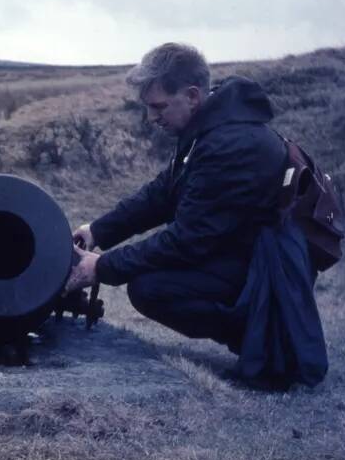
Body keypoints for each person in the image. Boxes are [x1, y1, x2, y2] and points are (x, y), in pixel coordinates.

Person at [65, 42, 293, 357]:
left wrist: (103, 267)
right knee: (149, 281)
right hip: (239, 253)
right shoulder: (210, 128)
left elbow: (188, 240)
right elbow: (163, 193)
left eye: (158, 107)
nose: (150, 118)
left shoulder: (230, 144)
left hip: (266, 269)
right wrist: (99, 231)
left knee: (150, 289)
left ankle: (264, 340)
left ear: (192, 96)